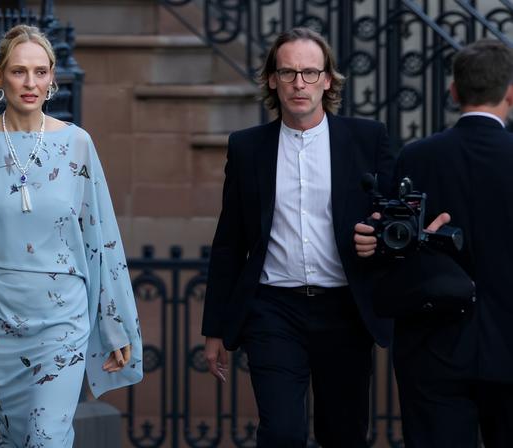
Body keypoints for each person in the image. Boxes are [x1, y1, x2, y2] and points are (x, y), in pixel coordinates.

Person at [0, 24, 143, 447]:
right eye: (19, 71)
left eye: (41, 72)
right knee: (2, 437)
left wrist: (114, 323)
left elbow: (102, 241)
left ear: (52, 77)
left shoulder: (77, 144)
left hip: (63, 318)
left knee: (47, 438)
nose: (31, 83)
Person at [201, 27, 395, 447]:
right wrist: (214, 328)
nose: (299, 84)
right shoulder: (248, 147)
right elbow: (230, 240)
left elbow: (392, 213)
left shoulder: (367, 139)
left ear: (328, 79)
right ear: (272, 79)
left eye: (310, 73)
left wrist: (376, 237)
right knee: (282, 432)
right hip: (273, 310)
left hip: (345, 308)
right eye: (288, 73)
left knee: (343, 434)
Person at [354, 39, 513, 447]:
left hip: (433, 350)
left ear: (454, 91)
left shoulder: (417, 157)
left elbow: (391, 243)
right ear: (511, 93)